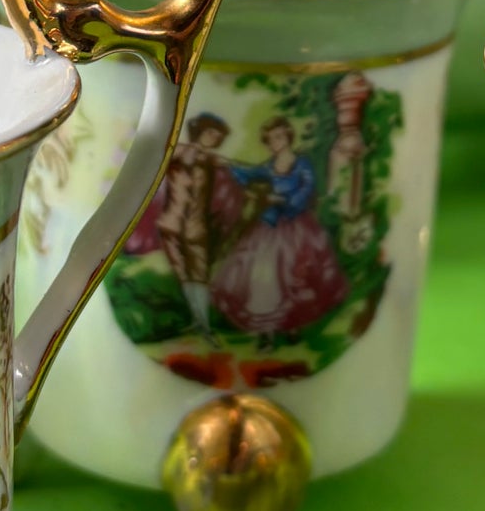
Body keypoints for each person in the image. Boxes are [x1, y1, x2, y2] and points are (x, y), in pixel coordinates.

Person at [210, 118, 351, 340]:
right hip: (269, 224)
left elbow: (307, 189)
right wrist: (226, 164)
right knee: (263, 276)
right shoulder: (268, 167)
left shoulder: (301, 163)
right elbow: (249, 173)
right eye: (270, 140)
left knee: (296, 274)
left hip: (297, 225)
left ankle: (292, 324)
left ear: (287, 137)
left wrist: (284, 201)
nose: (274, 143)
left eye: (278, 137)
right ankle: (267, 331)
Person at [124, 112, 243, 331]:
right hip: (171, 223)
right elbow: (157, 156)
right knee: (182, 272)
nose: (214, 138)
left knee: (199, 273)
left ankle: (202, 322)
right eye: (211, 133)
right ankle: (198, 320)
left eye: (218, 136)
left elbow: (232, 170)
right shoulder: (179, 151)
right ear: (200, 131)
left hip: (196, 227)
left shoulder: (212, 161)